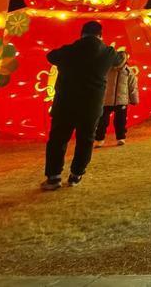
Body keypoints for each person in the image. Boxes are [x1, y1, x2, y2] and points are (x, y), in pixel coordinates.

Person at [42, 21, 123, 191]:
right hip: (91, 105)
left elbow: (50, 56)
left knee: (58, 139)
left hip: (65, 102)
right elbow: (120, 59)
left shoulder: (69, 50)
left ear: (82, 34)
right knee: (85, 140)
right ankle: (76, 175)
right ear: (100, 35)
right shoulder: (108, 52)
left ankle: (53, 177)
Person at [94, 52, 139, 147]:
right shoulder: (107, 69)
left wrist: (134, 99)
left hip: (121, 100)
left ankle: (121, 137)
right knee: (102, 121)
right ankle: (99, 139)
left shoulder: (128, 71)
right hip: (106, 100)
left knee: (120, 121)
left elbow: (132, 86)